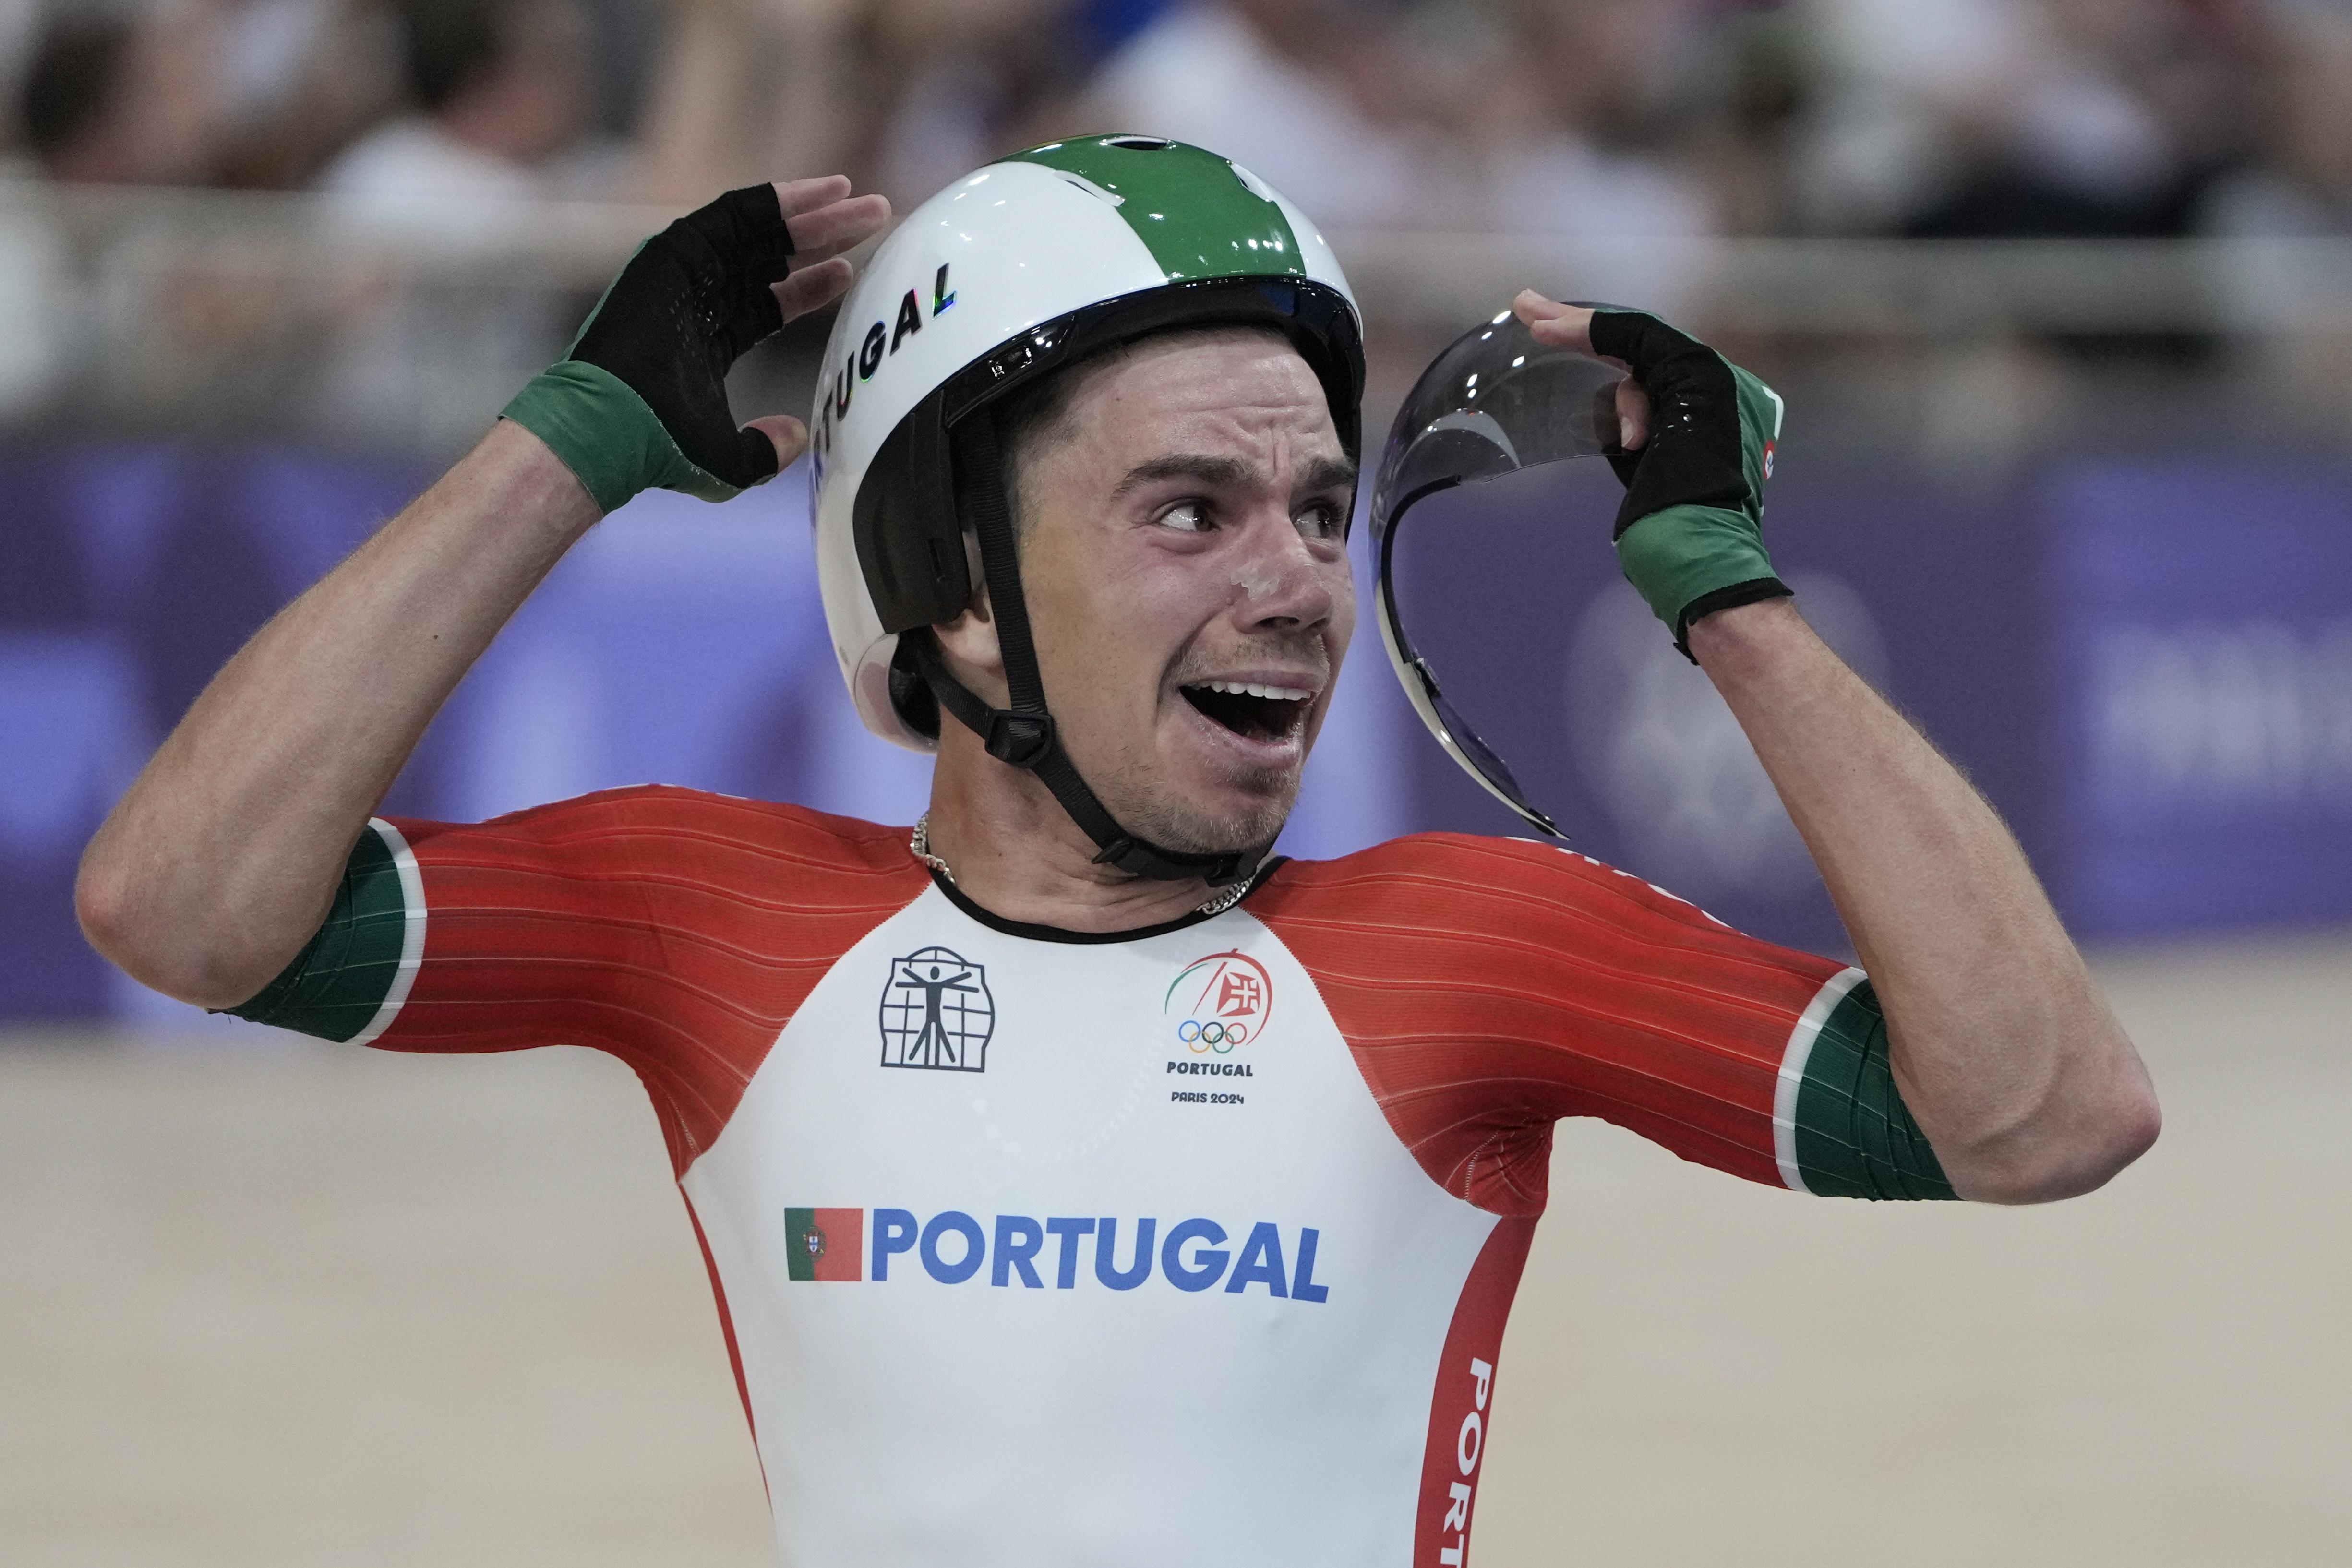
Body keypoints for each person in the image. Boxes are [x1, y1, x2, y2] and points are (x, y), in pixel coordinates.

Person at [76, 139, 2160, 1565]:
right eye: (1190, 511)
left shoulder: (1469, 947)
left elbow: (2045, 1112)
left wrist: (1722, 587)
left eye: (1321, 511)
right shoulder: (711, 919)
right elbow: (184, 903)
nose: (1296, 583)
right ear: (958, 596)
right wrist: (573, 435)